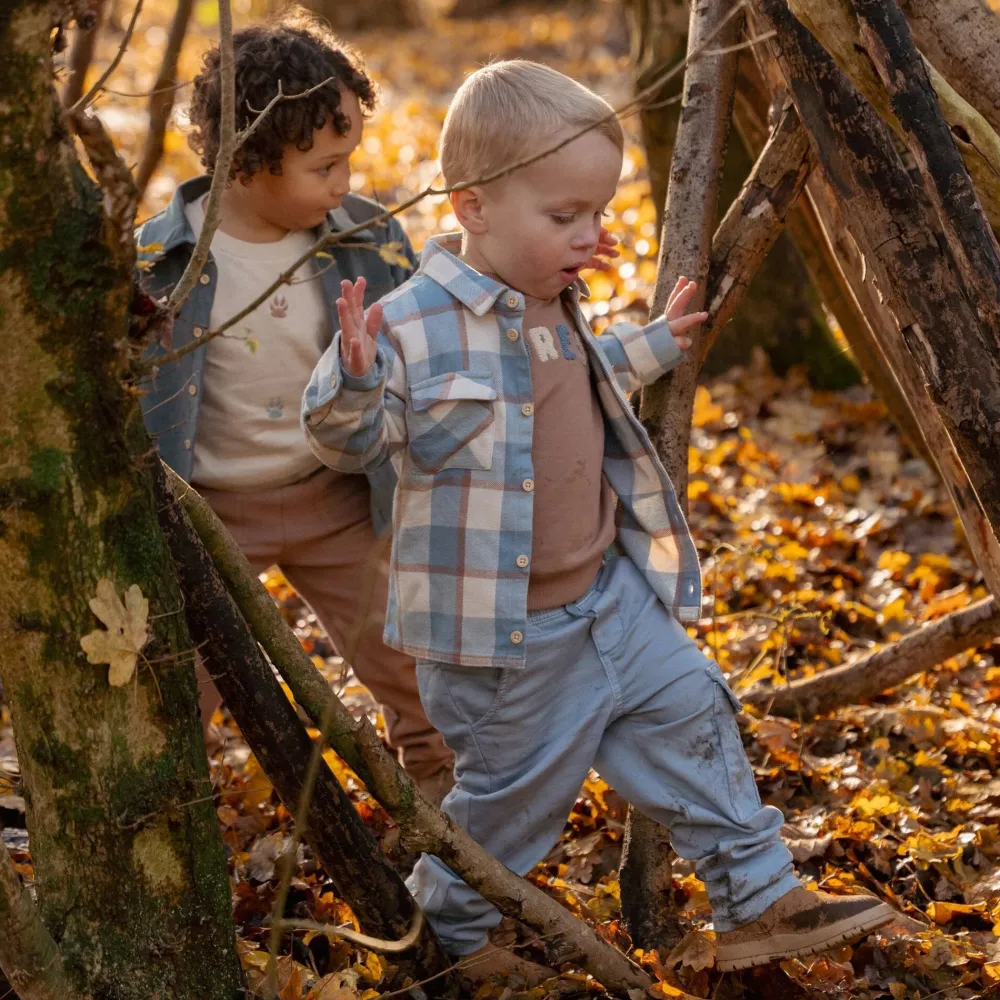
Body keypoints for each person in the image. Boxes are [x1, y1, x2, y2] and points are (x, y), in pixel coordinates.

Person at [302, 60, 895, 980]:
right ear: (473, 206)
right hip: (506, 643)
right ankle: (443, 940)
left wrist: (657, 342)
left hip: (608, 598)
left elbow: (578, 381)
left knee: (695, 713)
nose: (591, 235)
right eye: (564, 217)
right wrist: (350, 372)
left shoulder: (555, 302)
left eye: (597, 214)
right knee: (512, 806)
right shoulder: (409, 327)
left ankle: (759, 896)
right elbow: (352, 441)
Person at [136, 9, 458, 802]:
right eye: (324, 167)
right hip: (209, 514)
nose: (345, 184)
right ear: (248, 159)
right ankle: (170, 833)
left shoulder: (370, 240)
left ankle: (453, 828)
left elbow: (422, 345)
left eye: (350, 160)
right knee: (174, 693)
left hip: (343, 498)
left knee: (420, 675)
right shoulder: (157, 261)